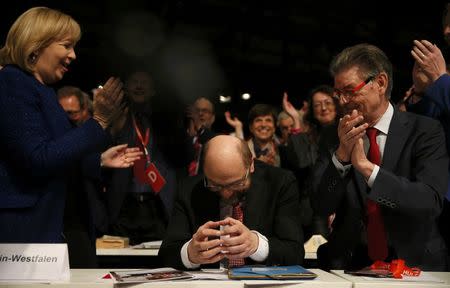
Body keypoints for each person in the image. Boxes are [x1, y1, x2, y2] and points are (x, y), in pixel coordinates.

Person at [0, 7, 138, 243]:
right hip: (30, 231)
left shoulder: (42, 91)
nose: (73, 55)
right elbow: (38, 158)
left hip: (62, 224)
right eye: (66, 45)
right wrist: (99, 121)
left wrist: (99, 160)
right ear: (36, 45)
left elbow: (55, 155)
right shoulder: (12, 83)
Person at [312, 43, 448, 271]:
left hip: (416, 263)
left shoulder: (425, 130)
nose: (343, 101)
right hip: (348, 264)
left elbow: (429, 201)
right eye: (338, 93)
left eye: (349, 90)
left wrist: (367, 169)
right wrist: (342, 157)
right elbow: (320, 205)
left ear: (380, 83)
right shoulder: (332, 136)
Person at [159, 135, 304, 270]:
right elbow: (166, 253)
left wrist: (256, 245)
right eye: (215, 185)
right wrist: (189, 254)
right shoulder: (189, 189)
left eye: (236, 184)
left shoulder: (279, 183)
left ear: (251, 165)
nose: (226, 193)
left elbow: (295, 252)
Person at [104, 69, 179, 245]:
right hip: (123, 204)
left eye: (144, 82)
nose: (139, 86)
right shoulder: (115, 118)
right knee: (119, 263)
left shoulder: (165, 120)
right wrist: (114, 129)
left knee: (158, 266)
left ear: (153, 90)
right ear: (125, 88)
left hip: (158, 203)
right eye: (134, 81)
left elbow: (182, 157)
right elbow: (101, 157)